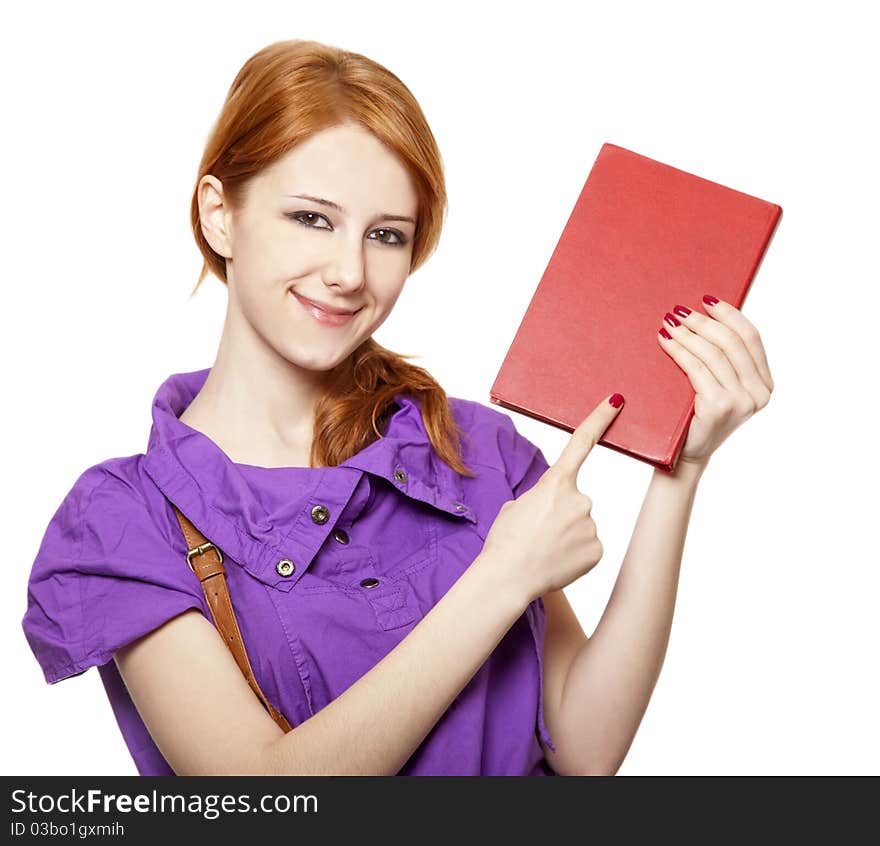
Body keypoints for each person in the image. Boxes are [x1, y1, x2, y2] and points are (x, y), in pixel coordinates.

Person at [21, 39, 774, 777]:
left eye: (386, 236)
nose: (349, 272)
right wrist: (500, 579)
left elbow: (584, 747)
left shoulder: (471, 450)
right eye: (311, 218)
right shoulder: (125, 520)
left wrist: (683, 466)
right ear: (220, 214)